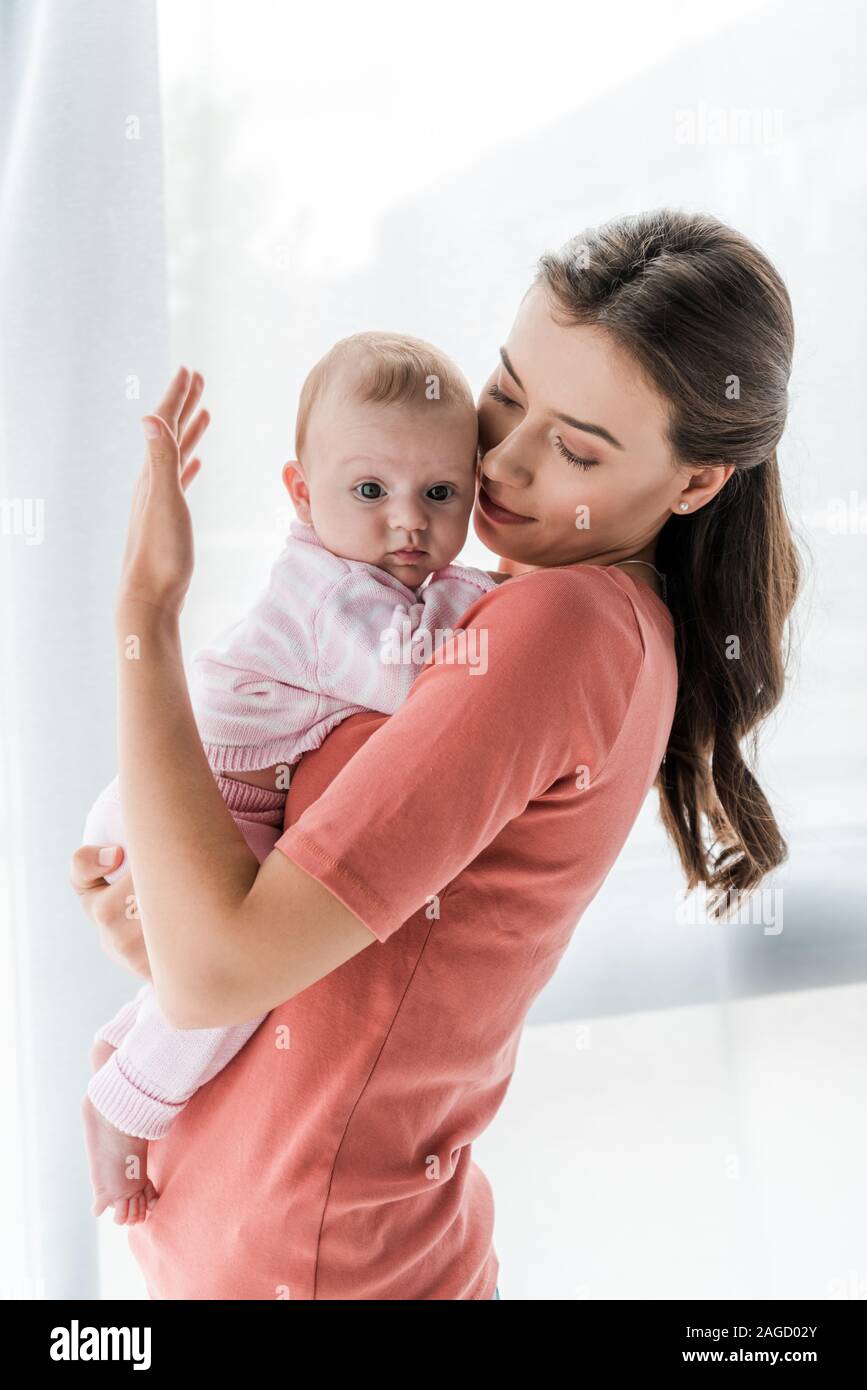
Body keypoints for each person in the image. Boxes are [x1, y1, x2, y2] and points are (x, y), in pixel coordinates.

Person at [71, 209, 802, 1301]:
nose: (502, 458)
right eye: (507, 392)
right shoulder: (537, 617)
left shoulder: (554, 629)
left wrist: (145, 608)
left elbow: (217, 967)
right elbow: (346, 966)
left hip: (317, 1264)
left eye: (575, 446)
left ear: (696, 482)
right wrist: (181, 915)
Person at [79, 331, 501, 1222]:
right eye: (369, 491)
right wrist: (514, 599)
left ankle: (125, 1043)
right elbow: (417, 673)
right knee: (241, 973)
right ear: (302, 496)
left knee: (232, 965)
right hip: (203, 802)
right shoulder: (329, 595)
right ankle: (122, 1103)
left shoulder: (389, 574)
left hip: (222, 798)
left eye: (440, 493)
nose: (407, 521)